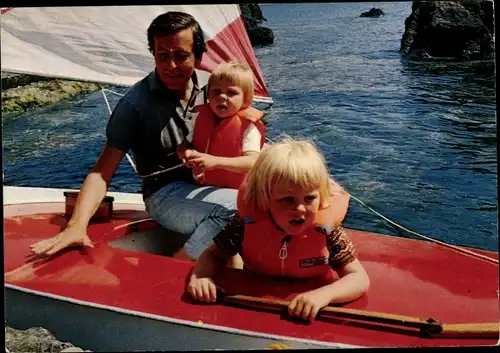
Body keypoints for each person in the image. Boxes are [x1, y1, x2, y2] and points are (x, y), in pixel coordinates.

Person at [30, 11, 239, 261]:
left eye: (181, 56)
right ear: (153, 54)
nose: (171, 65)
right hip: (165, 195)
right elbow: (101, 172)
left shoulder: (214, 91)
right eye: (163, 56)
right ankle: (181, 266)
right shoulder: (135, 105)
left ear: (198, 55)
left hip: (208, 187)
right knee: (239, 209)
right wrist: (76, 225)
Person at [186, 139, 369, 322]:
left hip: (306, 310)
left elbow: (358, 278)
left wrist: (323, 296)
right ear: (264, 199)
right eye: (287, 199)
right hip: (254, 306)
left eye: (309, 198)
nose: (300, 209)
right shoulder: (245, 223)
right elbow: (213, 255)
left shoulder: (327, 230)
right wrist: (200, 276)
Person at [178, 61, 266, 190]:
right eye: (216, 92)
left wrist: (216, 162)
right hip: (205, 185)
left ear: (246, 100)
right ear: (208, 96)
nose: (222, 97)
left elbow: (252, 162)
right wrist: (187, 152)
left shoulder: (248, 127)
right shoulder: (202, 119)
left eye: (231, 93)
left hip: (238, 191)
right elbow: (184, 145)